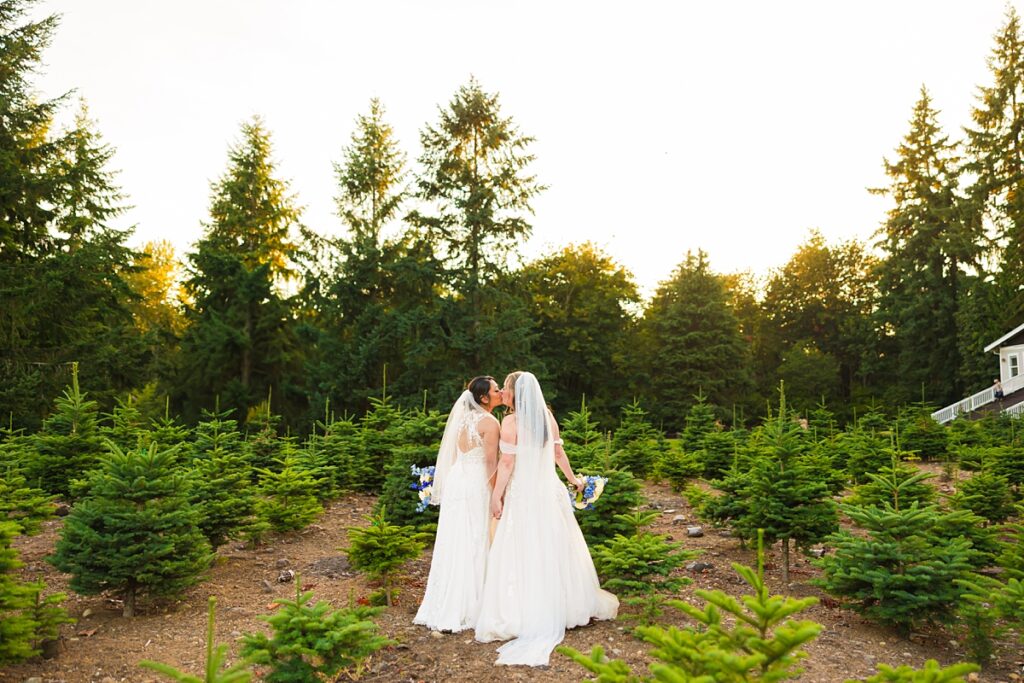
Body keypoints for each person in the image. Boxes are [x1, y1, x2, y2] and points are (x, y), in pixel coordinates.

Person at [475, 371, 618, 666]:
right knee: (555, 544)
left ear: (516, 394)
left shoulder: (510, 422)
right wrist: (573, 480)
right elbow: (558, 454)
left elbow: (506, 462)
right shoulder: (547, 417)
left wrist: (496, 496)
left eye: (506, 387)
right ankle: (565, 606)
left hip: (524, 493)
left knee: (524, 547)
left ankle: (524, 610)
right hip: (549, 491)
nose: (502, 391)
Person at [414, 376, 503, 632]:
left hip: (457, 480)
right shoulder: (490, 422)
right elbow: (489, 462)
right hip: (476, 482)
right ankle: (473, 605)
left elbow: (455, 455)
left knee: (456, 538)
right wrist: (497, 491)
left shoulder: (462, 420)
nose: (500, 393)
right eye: (496, 390)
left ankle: (446, 601)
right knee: (476, 536)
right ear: (484, 398)